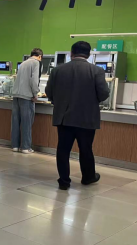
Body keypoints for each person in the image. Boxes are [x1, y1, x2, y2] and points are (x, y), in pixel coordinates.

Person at [46, 41, 110, 191]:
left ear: (71, 53)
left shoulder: (58, 70)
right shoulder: (96, 71)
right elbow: (104, 94)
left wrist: (59, 102)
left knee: (63, 149)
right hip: (86, 118)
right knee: (86, 148)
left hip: (64, 118)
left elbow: (49, 92)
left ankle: (64, 181)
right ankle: (88, 177)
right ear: (89, 54)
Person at [11, 48, 43, 154]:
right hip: (27, 96)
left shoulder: (23, 63)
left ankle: (15, 146)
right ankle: (25, 147)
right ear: (40, 56)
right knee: (27, 122)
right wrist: (35, 94)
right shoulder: (36, 63)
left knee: (15, 121)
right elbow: (34, 80)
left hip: (16, 95)